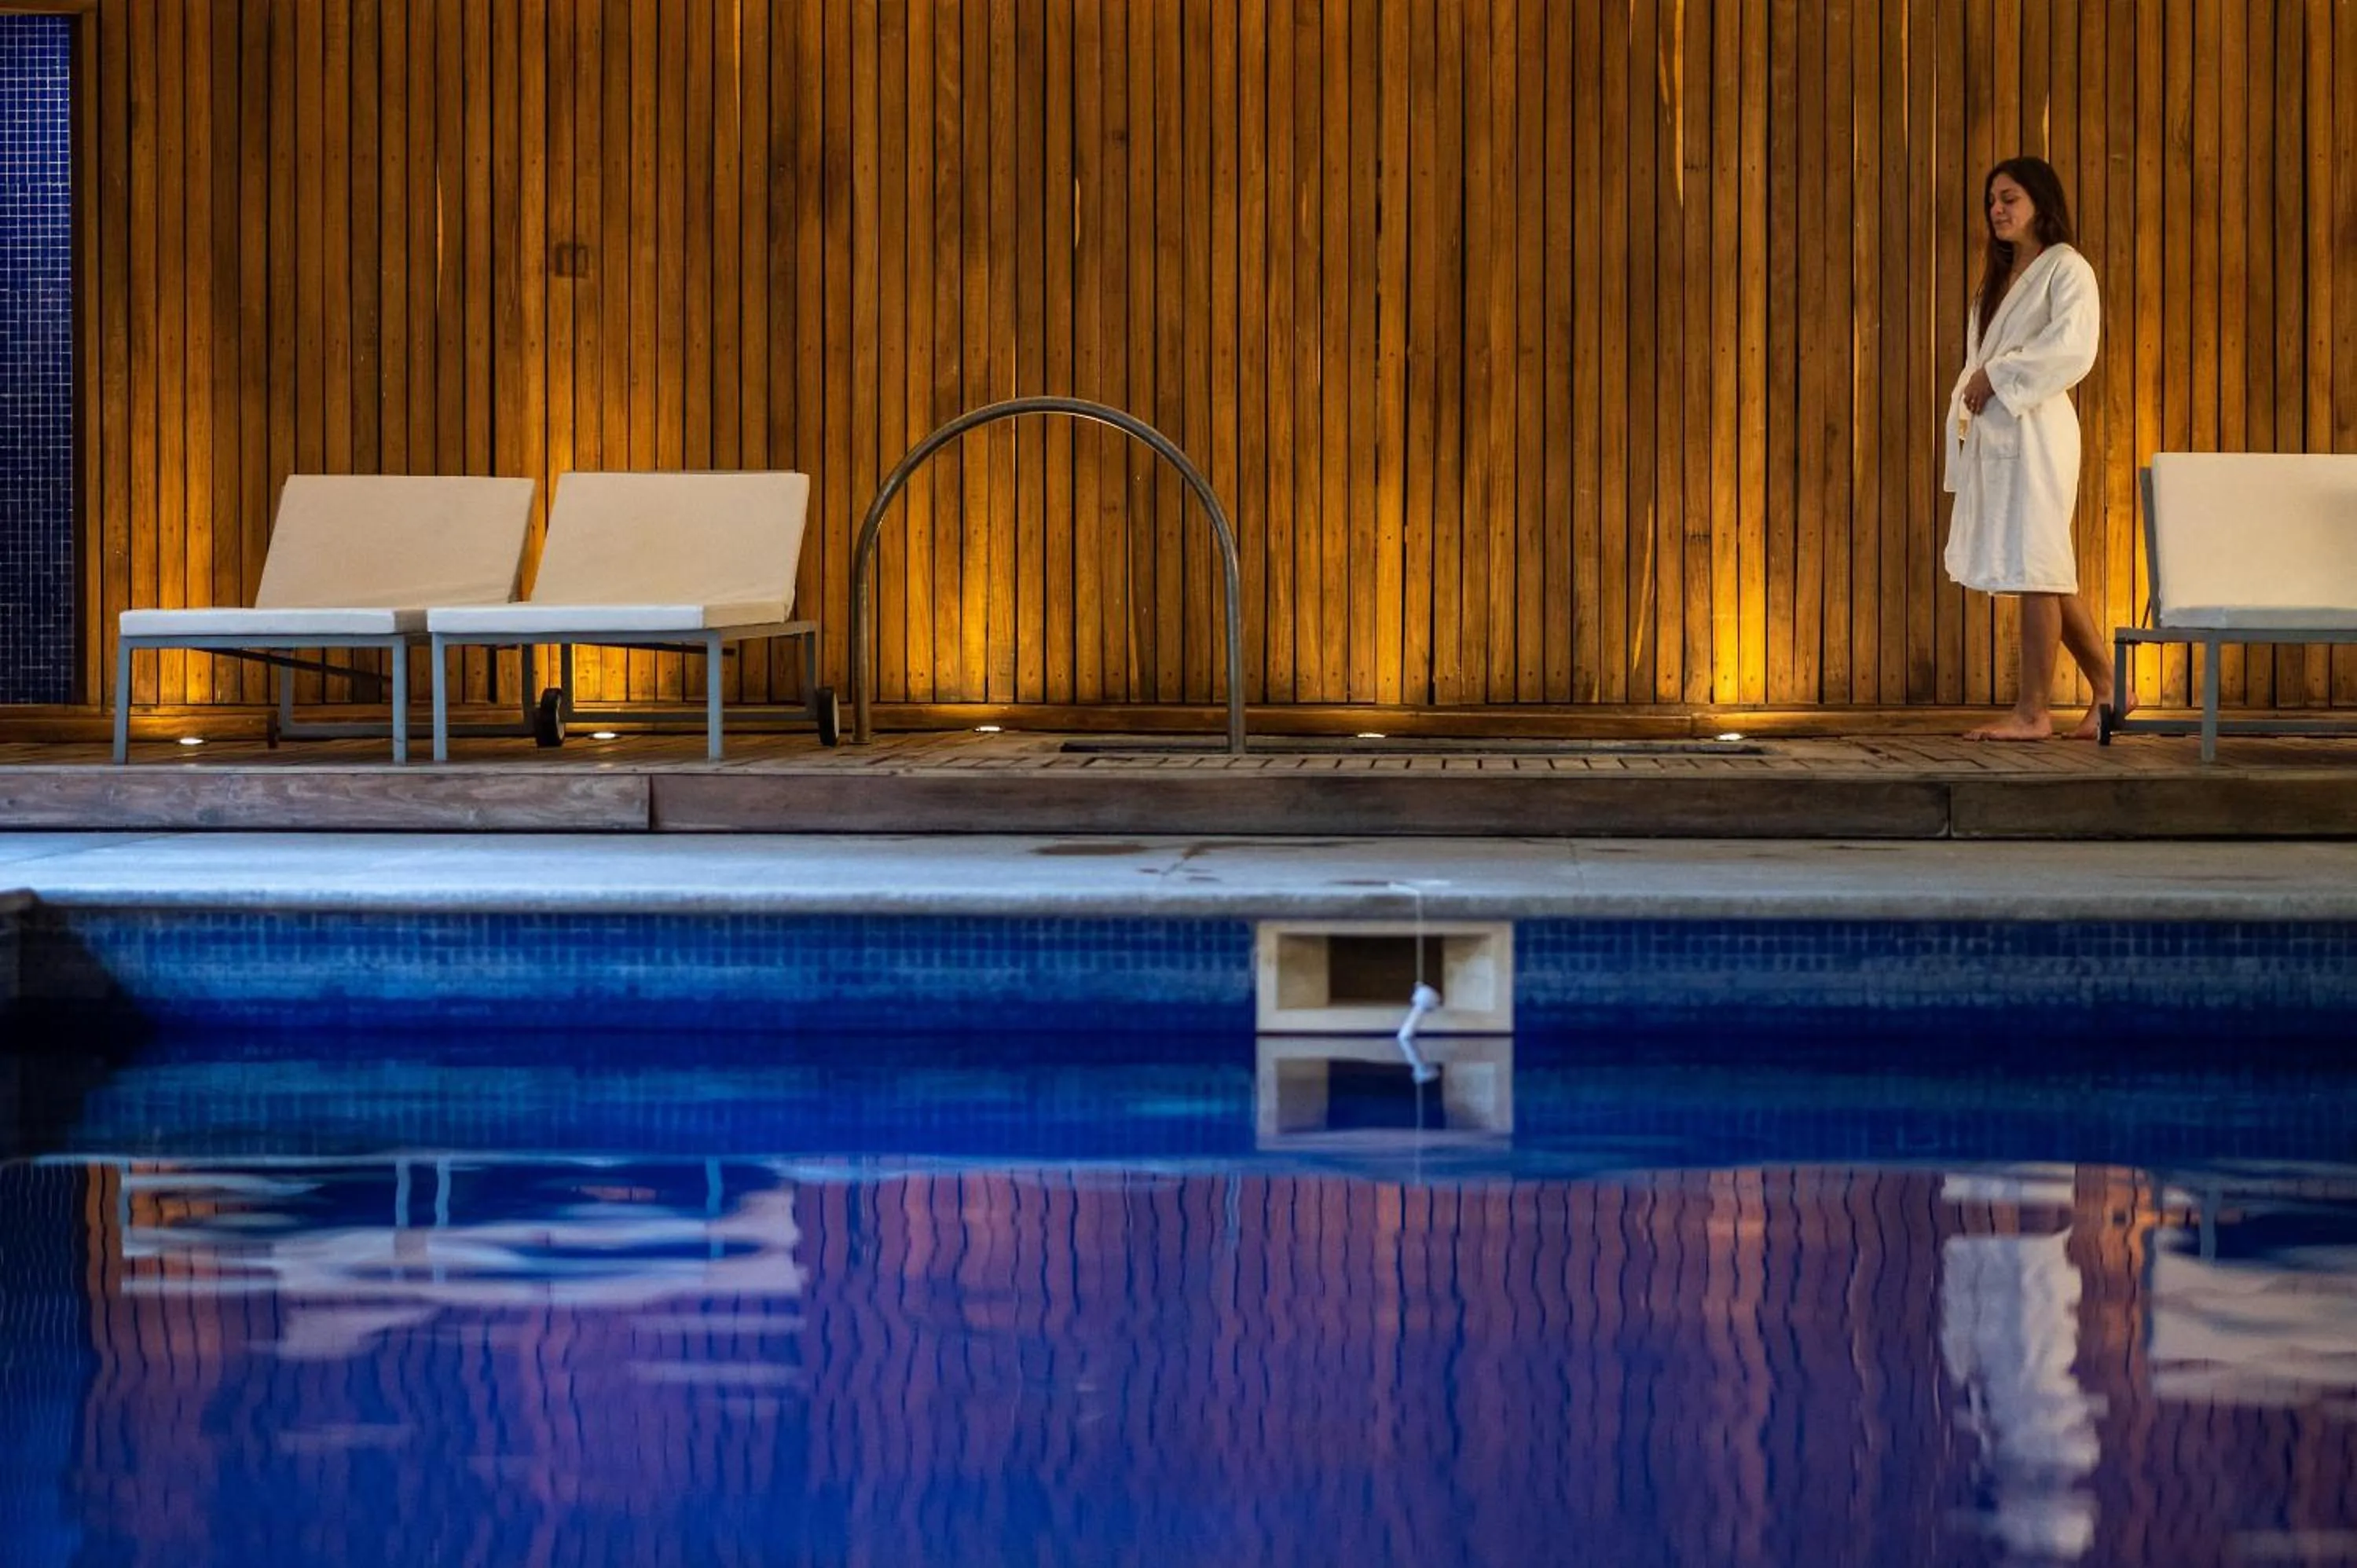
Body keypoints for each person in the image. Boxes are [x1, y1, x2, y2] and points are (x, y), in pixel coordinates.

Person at [1943, 156, 2128, 740]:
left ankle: (2032, 712)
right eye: (1991, 200)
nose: (1997, 210)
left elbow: (2073, 349)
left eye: (2009, 198)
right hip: (2002, 435)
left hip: (2038, 430)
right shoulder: (1997, 283)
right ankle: (2110, 689)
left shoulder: (2067, 269)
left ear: (2041, 205)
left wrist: (1996, 376)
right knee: (2042, 566)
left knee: (2038, 563)